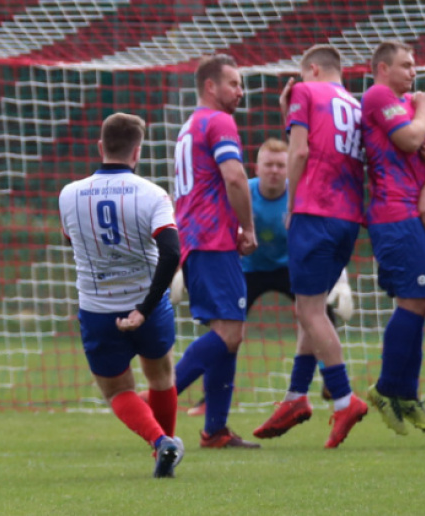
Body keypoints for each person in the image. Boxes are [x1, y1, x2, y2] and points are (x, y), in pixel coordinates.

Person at [183, 138, 355, 416]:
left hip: (291, 268)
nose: (274, 170)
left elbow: (322, 240)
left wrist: (340, 281)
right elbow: (213, 224)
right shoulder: (242, 192)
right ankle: (208, 399)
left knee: (319, 314)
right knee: (224, 331)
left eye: (280, 165)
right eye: (269, 165)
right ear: (257, 167)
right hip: (249, 270)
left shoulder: (300, 196)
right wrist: (185, 262)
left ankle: (331, 382)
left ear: (288, 169)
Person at [252, 44, 368, 448]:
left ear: (312, 70)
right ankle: (296, 396)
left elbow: (299, 150)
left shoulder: (306, 90)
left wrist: (292, 203)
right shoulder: (355, 104)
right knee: (311, 305)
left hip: (315, 211)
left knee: (308, 311)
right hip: (348, 216)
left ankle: (344, 399)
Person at [59, 112, 184, 477]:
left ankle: (160, 443)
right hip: (148, 305)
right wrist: (145, 308)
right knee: (161, 378)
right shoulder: (153, 194)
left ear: (101, 147)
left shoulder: (69, 195)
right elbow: (172, 252)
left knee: (117, 391)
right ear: (137, 151)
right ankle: (166, 449)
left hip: (98, 309)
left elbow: (71, 239)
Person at [171, 54, 260, 449]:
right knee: (229, 332)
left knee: (229, 332)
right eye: (233, 84)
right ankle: (159, 396)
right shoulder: (219, 121)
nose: (240, 92)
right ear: (211, 86)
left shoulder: (191, 125)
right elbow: (235, 178)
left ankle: (216, 430)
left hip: (196, 237)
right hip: (211, 238)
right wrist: (248, 227)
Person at [361, 40, 425, 437]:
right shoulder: (379, 96)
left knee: (417, 302)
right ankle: (386, 389)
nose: (413, 72)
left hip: (413, 212)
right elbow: (411, 140)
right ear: (383, 69)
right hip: (393, 213)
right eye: (406, 65)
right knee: (413, 302)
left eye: (414, 65)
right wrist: (424, 109)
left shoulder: (415, 104)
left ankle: (407, 394)